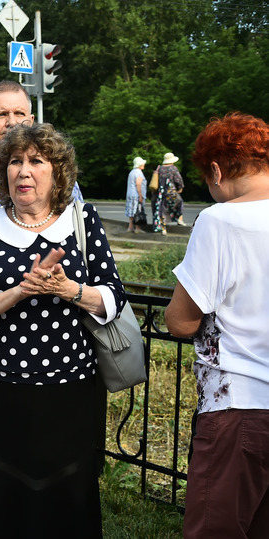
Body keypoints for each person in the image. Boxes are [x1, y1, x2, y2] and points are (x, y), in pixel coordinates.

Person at [0, 123, 126, 537]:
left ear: (58, 172)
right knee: (3, 492)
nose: (24, 171)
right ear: (3, 172)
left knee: (66, 493)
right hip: (4, 389)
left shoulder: (82, 221)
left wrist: (69, 290)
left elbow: (114, 297)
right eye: (15, 162)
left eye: (36, 161)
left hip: (71, 391)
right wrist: (19, 291)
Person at [164, 112, 269, 538]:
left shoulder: (220, 220)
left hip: (237, 406)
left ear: (217, 170)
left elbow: (181, 321)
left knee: (216, 527)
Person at [0, 80, 84, 236]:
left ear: (31, 121)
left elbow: (79, 234)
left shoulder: (58, 175)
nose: (12, 122)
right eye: (2, 114)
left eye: (19, 113)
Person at [152, 152, 186, 235]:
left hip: (161, 191)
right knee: (179, 201)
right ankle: (179, 219)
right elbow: (178, 180)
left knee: (162, 209)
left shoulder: (160, 168)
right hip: (170, 191)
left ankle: (163, 229)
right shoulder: (173, 168)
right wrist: (180, 188)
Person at [126, 156, 147, 233]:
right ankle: (137, 228)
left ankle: (130, 227)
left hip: (130, 194)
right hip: (136, 195)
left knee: (131, 211)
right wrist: (140, 195)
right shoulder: (138, 172)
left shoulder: (132, 172)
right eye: (142, 163)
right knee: (138, 211)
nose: (144, 164)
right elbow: (138, 184)